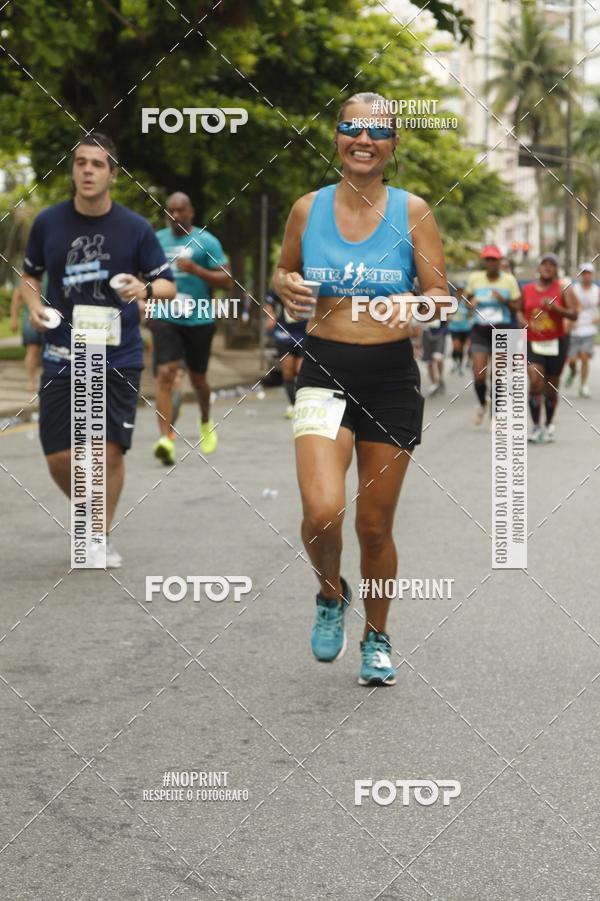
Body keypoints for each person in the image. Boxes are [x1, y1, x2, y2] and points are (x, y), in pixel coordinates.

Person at [273, 92, 448, 686]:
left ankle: (377, 636)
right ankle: (330, 593)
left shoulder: (413, 211)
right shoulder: (307, 208)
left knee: (374, 527)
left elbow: (443, 297)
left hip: (391, 378)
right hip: (323, 370)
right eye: (352, 128)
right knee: (322, 512)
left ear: (393, 144)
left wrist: (415, 304)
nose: (363, 139)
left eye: (377, 131)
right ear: (337, 138)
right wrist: (287, 285)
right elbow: (284, 271)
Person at [20, 132, 175, 567]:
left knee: (107, 450)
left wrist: (142, 287)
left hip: (117, 354)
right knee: (59, 455)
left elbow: (167, 285)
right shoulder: (48, 223)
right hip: (63, 353)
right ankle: (89, 513)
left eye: (97, 164)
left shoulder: (135, 228)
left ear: (113, 174)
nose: (87, 171)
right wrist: (34, 307)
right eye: (81, 162)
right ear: (73, 170)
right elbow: (30, 275)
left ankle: (99, 536)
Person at [151, 192, 233, 465]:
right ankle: (165, 438)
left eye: (181, 210)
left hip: (199, 319)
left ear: (191, 212)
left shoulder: (206, 241)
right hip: (165, 316)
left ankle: (205, 420)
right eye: (170, 211)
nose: (175, 216)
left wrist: (197, 270)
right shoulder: (156, 240)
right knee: (166, 373)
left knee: (198, 379)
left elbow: (227, 280)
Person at [520, 253, 577, 443]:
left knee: (551, 389)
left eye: (552, 265)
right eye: (544, 264)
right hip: (532, 341)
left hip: (556, 342)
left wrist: (556, 309)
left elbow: (574, 314)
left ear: (556, 269)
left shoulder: (563, 289)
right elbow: (519, 310)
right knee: (535, 381)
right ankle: (536, 426)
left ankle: (549, 423)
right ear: (538, 268)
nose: (547, 267)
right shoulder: (527, 289)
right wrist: (523, 322)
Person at [465, 246, 521, 425]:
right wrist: (471, 303)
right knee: (479, 375)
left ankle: (494, 415)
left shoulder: (509, 280)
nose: (491, 263)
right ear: (484, 261)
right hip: (480, 330)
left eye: (494, 260)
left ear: (499, 261)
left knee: (497, 375)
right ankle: (482, 403)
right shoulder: (475, 279)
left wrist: (503, 300)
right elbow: (466, 300)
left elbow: (518, 306)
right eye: (488, 260)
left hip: (502, 330)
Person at [264, 288, 306, 418]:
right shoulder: (284, 281)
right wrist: (271, 317)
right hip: (285, 334)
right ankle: (294, 405)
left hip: (306, 333)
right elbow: (269, 301)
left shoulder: (313, 280)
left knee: (300, 370)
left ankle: (303, 405)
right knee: (288, 372)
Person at [565, 262, 599, 398]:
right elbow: (568, 308)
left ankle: (583, 386)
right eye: (584, 273)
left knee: (585, 357)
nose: (586, 276)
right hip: (575, 328)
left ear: (592, 275)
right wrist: (569, 321)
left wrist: (597, 318)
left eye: (589, 273)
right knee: (572, 361)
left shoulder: (597, 291)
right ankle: (573, 372)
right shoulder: (574, 290)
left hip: (589, 328)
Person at [10, 283, 42, 392]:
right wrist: (14, 319)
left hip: (53, 318)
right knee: (33, 350)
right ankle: (31, 380)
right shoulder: (25, 277)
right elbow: (17, 297)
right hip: (31, 319)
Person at [448, 283, 472, 376]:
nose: (460, 293)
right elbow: (446, 314)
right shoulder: (452, 302)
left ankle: (460, 366)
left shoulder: (466, 302)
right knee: (456, 347)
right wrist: (449, 317)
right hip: (454, 328)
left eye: (462, 291)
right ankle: (455, 362)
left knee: (462, 349)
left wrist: (469, 311)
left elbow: (471, 313)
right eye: (459, 291)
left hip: (465, 328)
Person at [420, 317, 447, 395]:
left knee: (438, 358)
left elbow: (448, 317)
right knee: (429, 361)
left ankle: (440, 378)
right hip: (426, 333)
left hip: (440, 332)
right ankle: (434, 383)